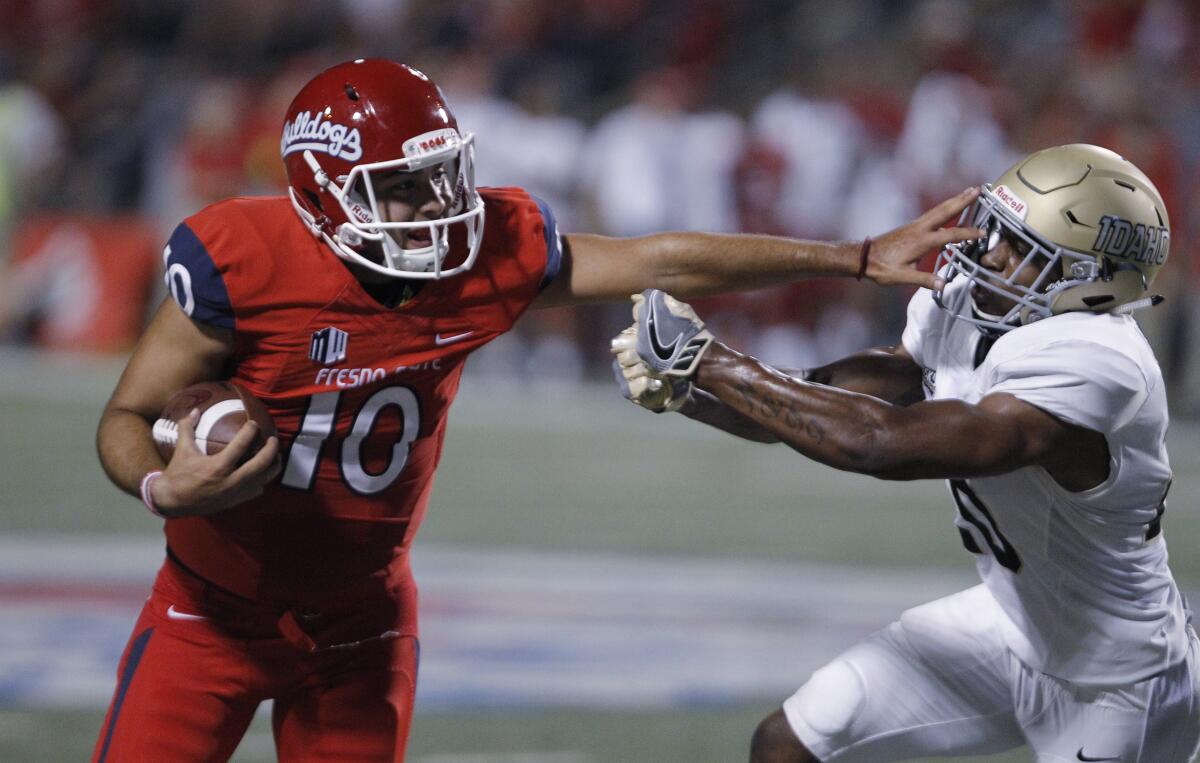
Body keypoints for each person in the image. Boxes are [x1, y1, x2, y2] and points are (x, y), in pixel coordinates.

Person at [90, 58, 981, 763]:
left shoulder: (479, 253)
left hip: (361, 620)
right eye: (405, 189)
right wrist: (166, 489)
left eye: (442, 177)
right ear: (325, 193)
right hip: (208, 614)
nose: (439, 209)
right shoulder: (243, 260)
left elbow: (657, 257)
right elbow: (125, 417)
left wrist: (856, 256)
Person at [612, 143, 1199, 761]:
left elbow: (881, 443)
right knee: (790, 744)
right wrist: (692, 390)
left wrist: (711, 361)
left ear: (1090, 284)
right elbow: (816, 402)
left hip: (1119, 682)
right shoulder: (981, 309)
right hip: (1010, 624)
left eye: (1023, 251)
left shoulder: (1099, 361)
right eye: (999, 230)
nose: (990, 255)